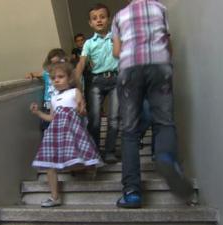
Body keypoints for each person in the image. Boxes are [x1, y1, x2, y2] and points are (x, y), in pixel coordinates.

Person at [111, 0, 194, 208]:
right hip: (159, 66)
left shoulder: (119, 16)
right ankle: (165, 156)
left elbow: (116, 52)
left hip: (129, 68)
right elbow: (168, 46)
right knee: (164, 122)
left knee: (129, 132)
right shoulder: (160, 9)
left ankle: (131, 193)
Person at [30, 62, 103, 207]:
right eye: (53, 78)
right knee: (50, 164)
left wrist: (82, 109)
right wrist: (38, 112)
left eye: (60, 77)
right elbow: (52, 118)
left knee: (75, 160)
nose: (56, 80)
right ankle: (54, 197)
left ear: (69, 79)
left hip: (72, 131)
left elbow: (82, 110)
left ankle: (90, 167)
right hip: (55, 132)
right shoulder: (53, 99)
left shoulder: (75, 92)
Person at [75, 3, 119, 163]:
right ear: (90, 23)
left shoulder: (115, 37)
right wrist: (76, 87)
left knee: (114, 118)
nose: (99, 20)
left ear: (108, 20)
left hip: (116, 80)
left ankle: (109, 152)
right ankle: (94, 152)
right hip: (96, 81)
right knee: (94, 119)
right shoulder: (88, 43)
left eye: (102, 17)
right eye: (95, 18)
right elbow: (81, 64)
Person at [25, 48, 68, 134]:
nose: (55, 66)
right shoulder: (46, 73)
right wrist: (30, 74)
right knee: (47, 129)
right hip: (48, 106)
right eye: (52, 63)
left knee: (63, 129)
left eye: (58, 63)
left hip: (62, 105)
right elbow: (34, 74)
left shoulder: (66, 74)